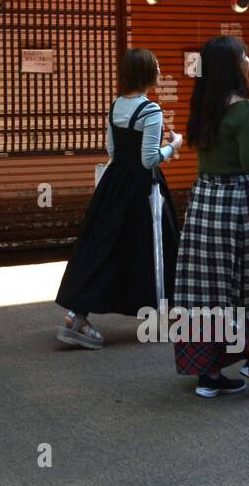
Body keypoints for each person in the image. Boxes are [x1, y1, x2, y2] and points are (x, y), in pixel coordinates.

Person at [172, 36, 249, 398]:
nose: (248, 59)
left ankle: (208, 374)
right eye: (244, 54)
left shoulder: (202, 104)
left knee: (207, 289)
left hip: (203, 205)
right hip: (237, 205)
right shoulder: (248, 109)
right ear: (234, 65)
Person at [56, 49, 183, 349]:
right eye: (156, 64)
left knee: (104, 247)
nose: (160, 67)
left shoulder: (115, 107)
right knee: (159, 246)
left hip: (114, 187)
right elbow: (149, 160)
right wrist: (173, 146)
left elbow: (112, 152)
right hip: (144, 191)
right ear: (145, 73)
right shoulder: (151, 111)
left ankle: (79, 313)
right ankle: (168, 316)